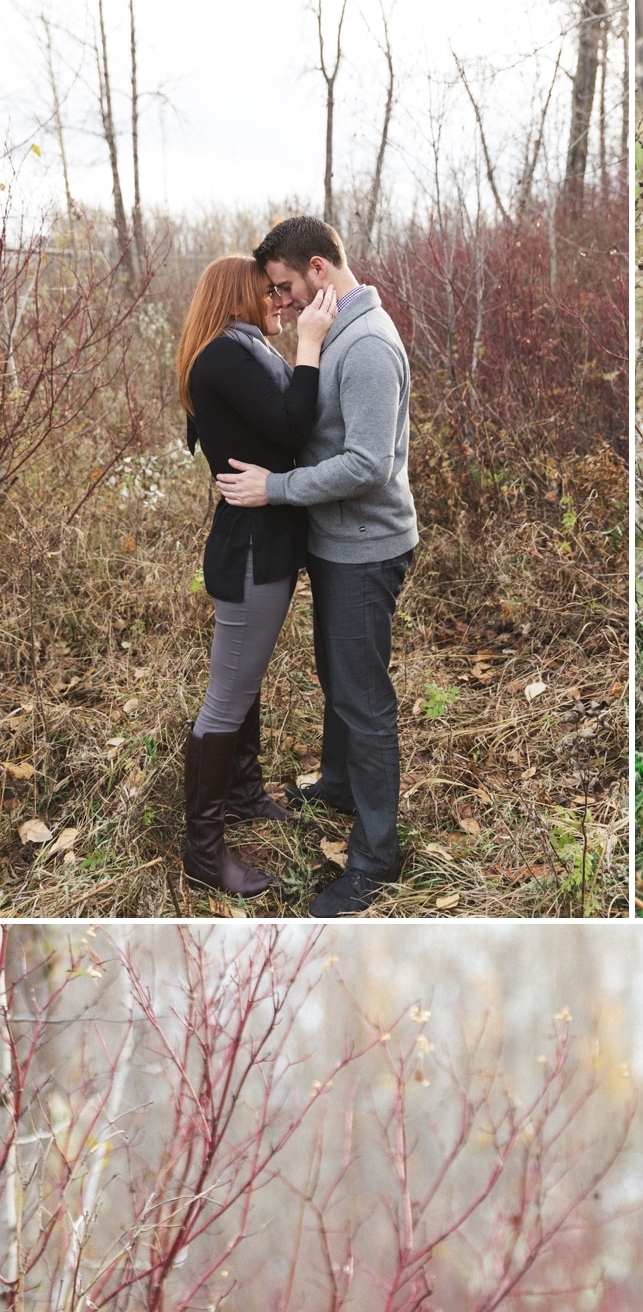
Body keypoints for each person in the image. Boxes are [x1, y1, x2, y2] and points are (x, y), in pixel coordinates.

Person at [214, 215, 418, 919]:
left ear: (320, 271)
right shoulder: (332, 332)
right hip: (336, 543)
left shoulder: (365, 345)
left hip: (366, 546)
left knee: (363, 697)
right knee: (338, 674)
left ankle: (375, 859)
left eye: (286, 286)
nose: (282, 301)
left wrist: (275, 488)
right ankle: (337, 784)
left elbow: (367, 464)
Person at [174, 256, 338, 896]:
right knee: (227, 693)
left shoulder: (232, 351)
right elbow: (293, 423)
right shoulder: (227, 357)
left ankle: (241, 791)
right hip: (250, 547)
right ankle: (204, 853)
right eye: (264, 291)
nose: (275, 300)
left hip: (260, 539)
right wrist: (309, 346)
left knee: (244, 677)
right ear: (236, 296)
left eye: (278, 290)